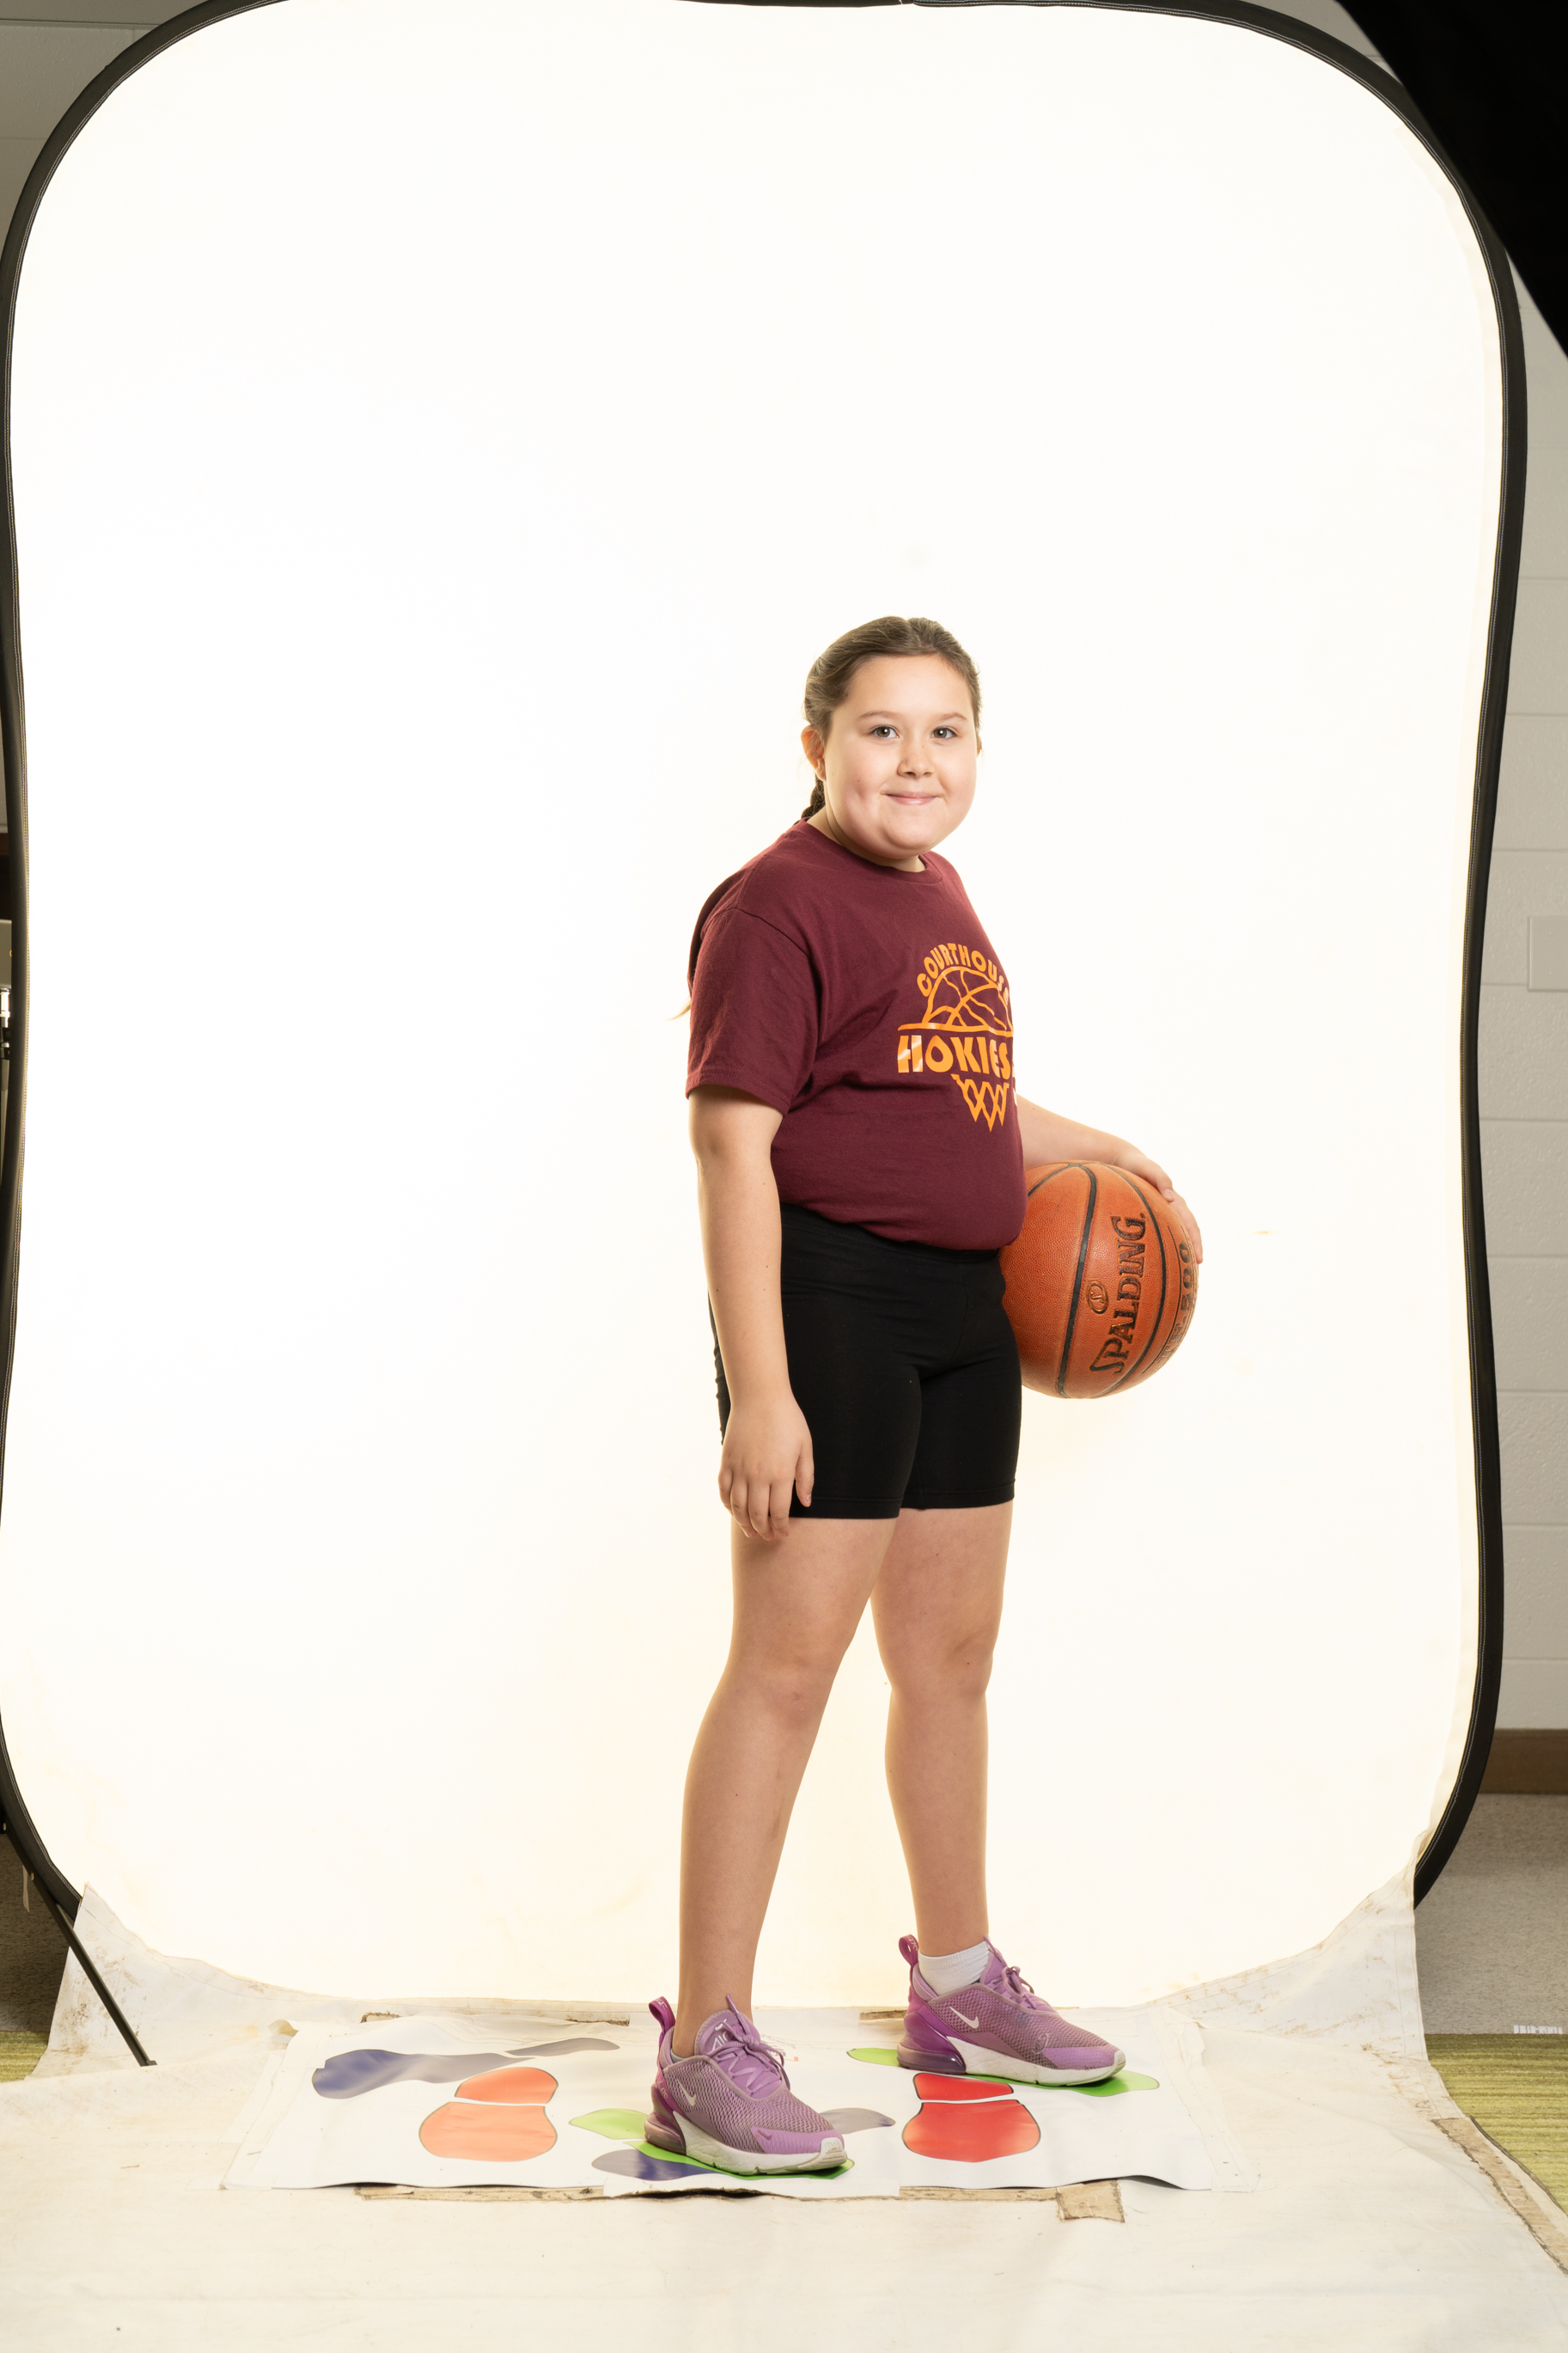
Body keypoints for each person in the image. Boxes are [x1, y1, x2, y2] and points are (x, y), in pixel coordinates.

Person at [645, 616, 1202, 2177]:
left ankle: (955, 1985)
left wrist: (1104, 1149)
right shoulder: (773, 903)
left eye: (942, 731)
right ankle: (703, 2050)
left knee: (949, 1661)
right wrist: (762, 1388)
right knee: (784, 1671)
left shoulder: (938, 889)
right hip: (834, 1308)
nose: (913, 760)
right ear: (815, 745)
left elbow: (955, 1096)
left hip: (965, 1315)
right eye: (880, 729)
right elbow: (732, 1144)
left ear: (974, 753)